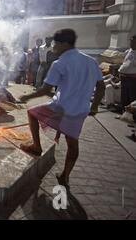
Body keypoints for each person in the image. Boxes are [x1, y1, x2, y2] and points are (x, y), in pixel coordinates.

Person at [19, 29, 105, 188]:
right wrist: (94, 106)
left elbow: (45, 90)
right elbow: (101, 86)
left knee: (32, 113)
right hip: (80, 110)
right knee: (73, 143)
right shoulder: (91, 61)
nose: (54, 47)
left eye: (56, 44)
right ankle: (65, 175)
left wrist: (26, 97)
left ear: (65, 44)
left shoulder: (60, 63)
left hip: (60, 107)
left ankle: (36, 146)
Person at [118, 35, 136, 109]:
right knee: (124, 96)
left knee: (132, 96)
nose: (131, 43)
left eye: (133, 41)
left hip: (132, 79)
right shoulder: (128, 51)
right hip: (124, 77)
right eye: (131, 41)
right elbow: (124, 63)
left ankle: (131, 116)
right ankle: (123, 113)